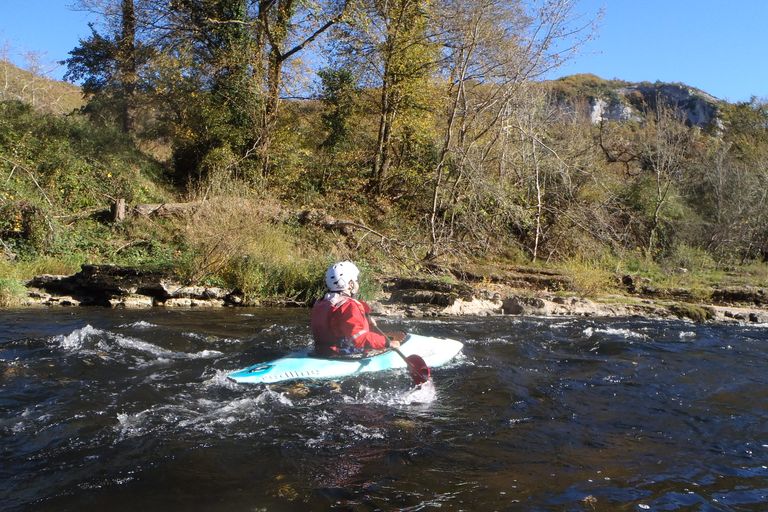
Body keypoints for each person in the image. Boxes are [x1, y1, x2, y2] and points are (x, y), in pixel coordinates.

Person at [311, 261, 405, 356]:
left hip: (321, 351)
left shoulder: (321, 302)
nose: (357, 283)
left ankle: (384, 337)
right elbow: (358, 338)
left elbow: (339, 325)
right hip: (340, 353)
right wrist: (388, 343)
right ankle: (385, 340)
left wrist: (365, 318)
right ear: (350, 284)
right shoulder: (349, 305)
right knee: (383, 345)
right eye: (356, 281)